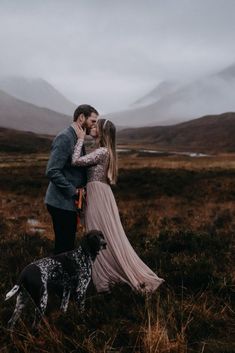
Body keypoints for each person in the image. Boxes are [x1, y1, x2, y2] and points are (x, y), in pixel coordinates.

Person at [71, 118, 164, 293]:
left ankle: (104, 278)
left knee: (98, 232)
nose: (92, 127)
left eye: (95, 126)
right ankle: (103, 274)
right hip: (100, 193)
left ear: (102, 132)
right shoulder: (105, 151)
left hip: (98, 194)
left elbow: (75, 161)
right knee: (103, 232)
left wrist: (80, 139)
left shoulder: (102, 152)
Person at [45, 104, 98, 254]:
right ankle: (57, 276)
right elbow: (52, 170)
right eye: (93, 121)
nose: (94, 125)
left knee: (67, 245)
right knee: (64, 248)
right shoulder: (65, 137)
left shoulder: (76, 137)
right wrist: (73, 191)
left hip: (67, 203)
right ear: (81, 117)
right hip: (60, 202)